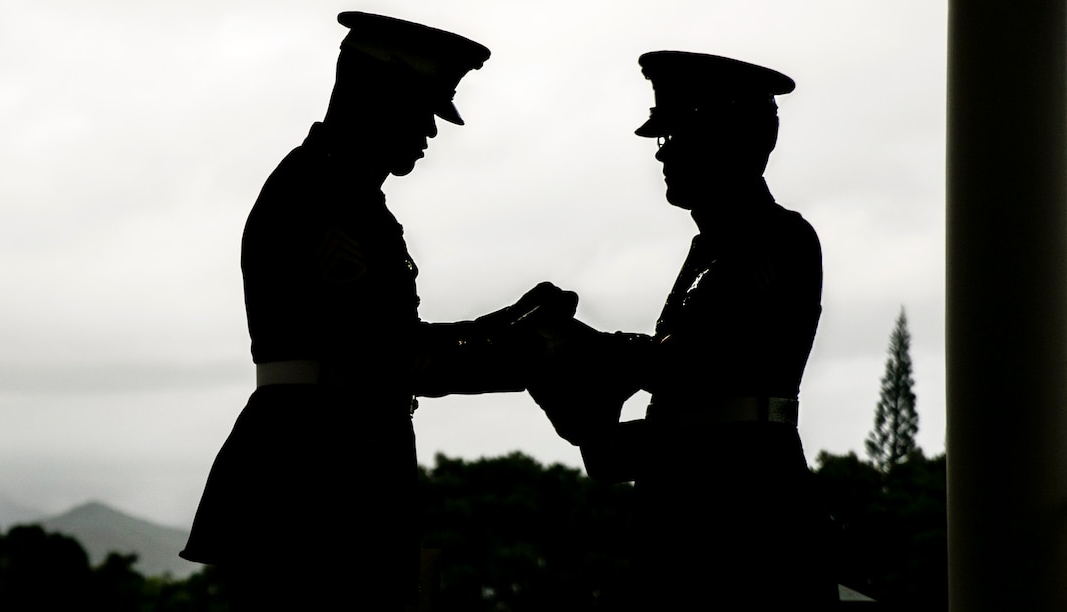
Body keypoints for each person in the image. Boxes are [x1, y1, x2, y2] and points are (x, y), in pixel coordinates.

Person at [180, 12, 575, 611]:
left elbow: (381, 336)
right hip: (315, 483)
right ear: (373, 95)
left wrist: (505, 324)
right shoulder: (323, 197)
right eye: (421, 108)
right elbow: (386, 358)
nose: (430, 131)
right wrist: (533, 352)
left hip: (332, 466)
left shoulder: (342, 192)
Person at [531, 51, 838, 610]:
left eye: (678, 136)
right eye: (663, 139)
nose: (664, 153)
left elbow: (693, 363)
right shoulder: (708, 251)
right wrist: (574, 399)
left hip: (746, 515)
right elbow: (665, 407)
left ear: (729, 141)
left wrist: (572, 346)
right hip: (686, 503)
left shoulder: (777, 240)